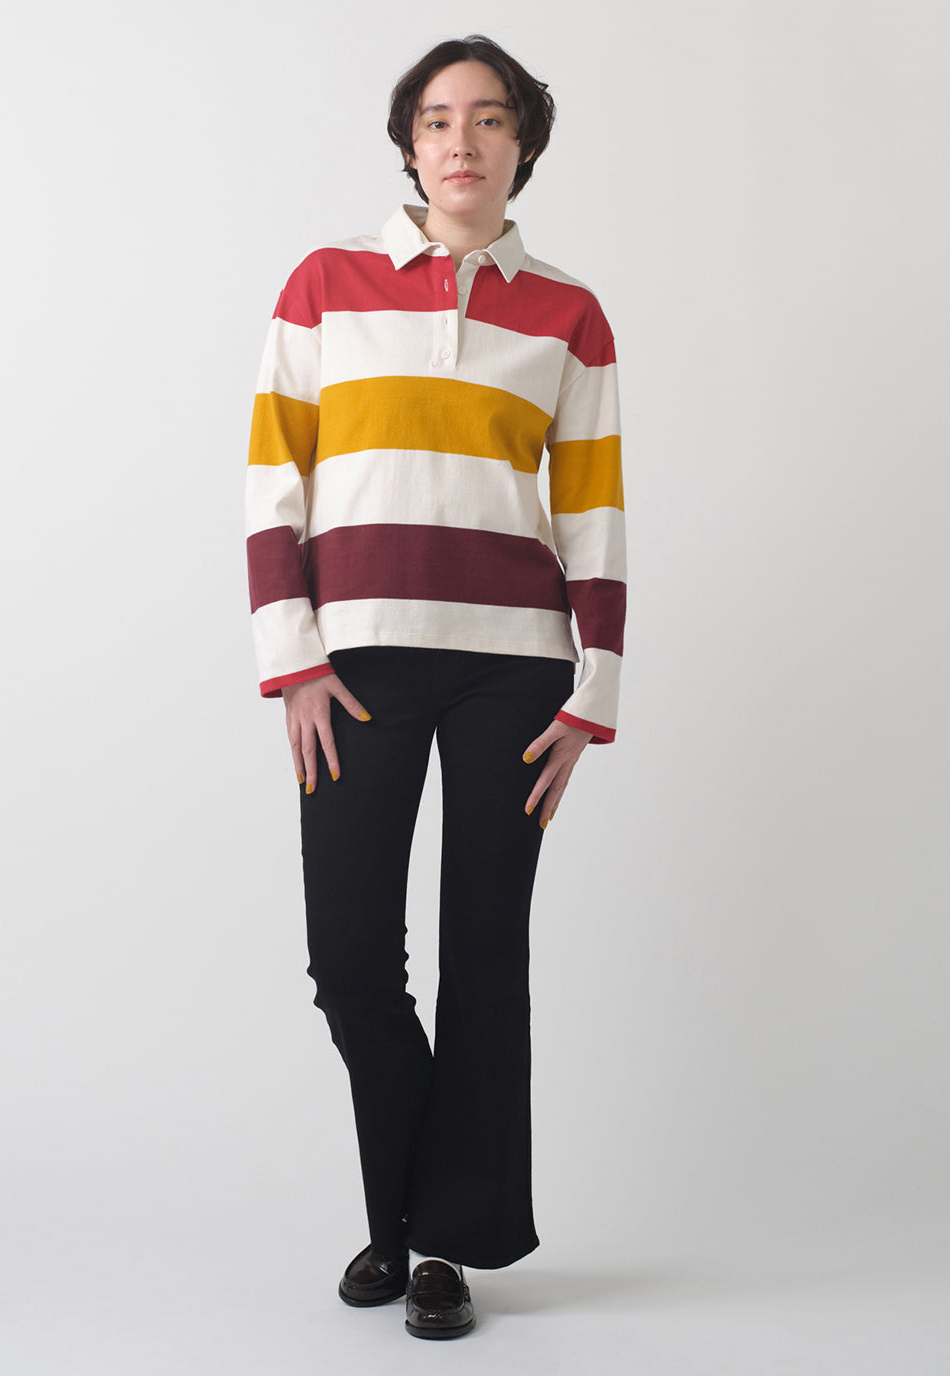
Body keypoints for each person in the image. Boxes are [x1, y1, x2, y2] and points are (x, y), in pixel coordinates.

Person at [245, 33, 625, 1340]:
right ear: (409, 145)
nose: (463, 140)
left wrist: (593, 691)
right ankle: (402, 1214)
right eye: (438, 119)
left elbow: (593, 510)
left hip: (515, 676)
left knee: (483, 960)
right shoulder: (324, 286)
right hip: (351, 668)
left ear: (525, 143)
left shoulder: (569, 315)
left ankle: (437, 1250)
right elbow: (273, 483)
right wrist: (291, 660)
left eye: (491, 118)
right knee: (351, 959)